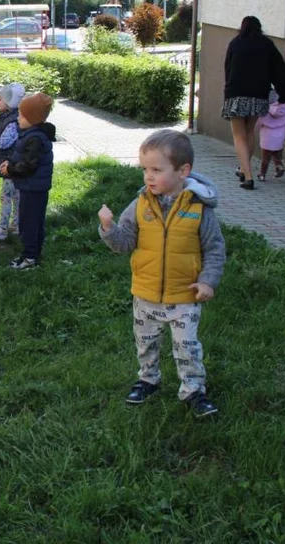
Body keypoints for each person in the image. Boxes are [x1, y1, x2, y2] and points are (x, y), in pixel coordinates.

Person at [97, 130, 226, 419]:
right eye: (145, 169)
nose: (148, 177)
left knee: (187, 346)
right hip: (145, 293)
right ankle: (147, 380)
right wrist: (108, 228)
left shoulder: (198, 208)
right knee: (145, 342)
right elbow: (124, 243)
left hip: (185, 296)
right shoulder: (141, 204)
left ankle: (193, 390)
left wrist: (207, 281)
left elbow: (215, 249)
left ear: (183, 171)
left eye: (157, 170)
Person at [222, 15, 285, 190]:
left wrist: (227, 92)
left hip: (236, 95)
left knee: (238, 136)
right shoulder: (267, 44)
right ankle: (243, 167)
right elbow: (280, 70)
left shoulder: (235, 43)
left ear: (242, 27)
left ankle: (248, 177)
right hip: (259, 96)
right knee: (249, 133)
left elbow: (228, 69)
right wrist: (283, 94)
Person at [0, 93, 55, 270]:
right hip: (33, 187)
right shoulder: (32, 134)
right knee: (33, 222)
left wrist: (10, 170)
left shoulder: (35, 138)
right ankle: (32, 255)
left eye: (22, 115)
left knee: (29, 224)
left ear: (33, 119)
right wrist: (11, 162)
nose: (18, 117)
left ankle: (30, 258)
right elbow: (24, 158)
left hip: (33, 189)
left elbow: (28, 166)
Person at [0, 82, 27, 241]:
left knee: (7, 197)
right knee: (16, 197)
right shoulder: (5, 116)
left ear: (9, 102)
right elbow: (0, 134)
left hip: (11, 166)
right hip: (11, 165)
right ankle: (16, 226)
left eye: (0, 99)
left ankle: (3, 228)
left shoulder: (13, 121)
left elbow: (2, 142)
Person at [256, 89, 285, 181]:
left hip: (267, 136)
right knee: (275, 153)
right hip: (279, 136)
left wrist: (254, 129)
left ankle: (262, 174)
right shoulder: (284, 109)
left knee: (265, 157)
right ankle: (279, 166)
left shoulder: (264, 109)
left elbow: (258, 122)